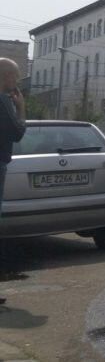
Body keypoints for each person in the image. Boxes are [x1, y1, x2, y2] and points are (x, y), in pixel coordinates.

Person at [0, 58, 26, 302]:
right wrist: (21, 108)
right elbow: (16, 132)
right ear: (6, 77)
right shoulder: (3, 101)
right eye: (15, 77)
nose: (17, 82)